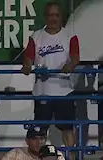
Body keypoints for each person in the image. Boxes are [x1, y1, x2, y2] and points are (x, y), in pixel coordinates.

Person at [22, 2, 80, 151]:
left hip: (64, 90)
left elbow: (75, 57)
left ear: (61, 17)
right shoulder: (36, 36)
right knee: (40, 131)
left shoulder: (70, 35)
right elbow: (28, 57)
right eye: (50, 15)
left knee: (67, 129)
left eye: (56, 15)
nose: (53, 19)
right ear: (45, 17)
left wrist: (71, 65)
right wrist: (27, 66)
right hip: (42, 91)